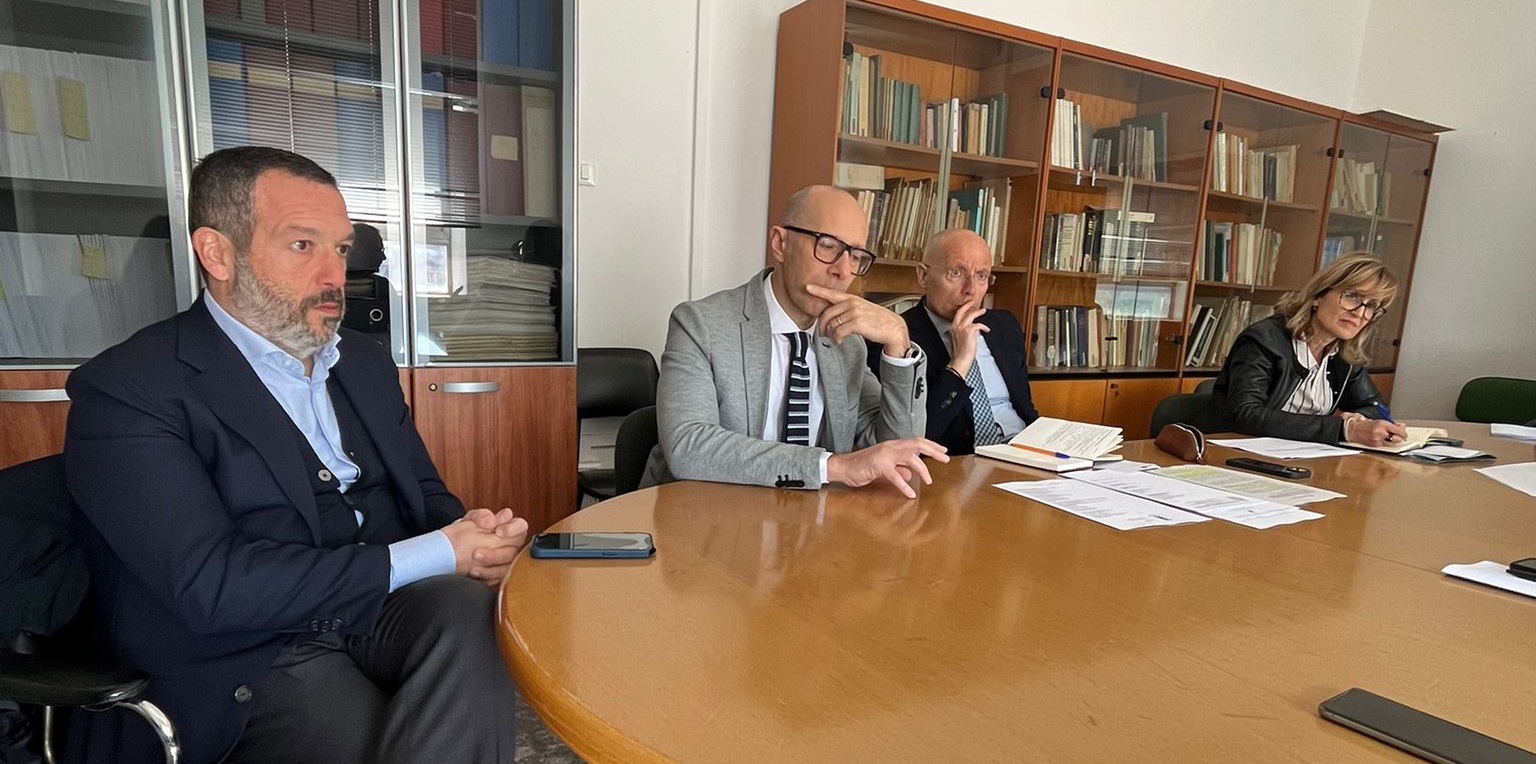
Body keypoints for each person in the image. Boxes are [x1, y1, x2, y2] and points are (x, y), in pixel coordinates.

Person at [63, 147, 525, 764]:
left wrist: (475, 541)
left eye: (341, 248)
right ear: (217, 253)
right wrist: (441, 550)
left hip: (375, 607)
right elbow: (211, 587)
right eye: (302, 245)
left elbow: (423, 496)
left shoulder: (362, 362)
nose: (334, 275)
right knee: (383, 741)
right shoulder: (129, 388)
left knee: (471, 612)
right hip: (251, 647)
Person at [643, 185, 947, 497]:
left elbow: (899, 452)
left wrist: (898, 342)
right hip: (704, 513)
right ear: (780, 244)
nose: (843, 271)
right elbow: (688, 445)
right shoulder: (700, 324)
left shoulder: (847, 344)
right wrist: (832, 467)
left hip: (808, 518)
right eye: (827, 245)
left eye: (856, 256)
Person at [1211, 252, 1408, 446]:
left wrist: (1358, 419)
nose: (1360, 313)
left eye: (1371, 306)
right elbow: (1246, 415)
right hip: (1234, 451)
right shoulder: (1264, 339)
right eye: (1352, 296)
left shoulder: (1343, 357)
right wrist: (1344, 429)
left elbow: (1375, 407)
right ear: (1318, 296)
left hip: (1302, 455)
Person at [879, 229, 1039, 454]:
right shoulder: (896, 339)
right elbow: (916, 438)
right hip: (958, 462)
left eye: (981, 276)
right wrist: (960, 362)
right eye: (956, 273)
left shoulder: (1004, 325)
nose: (970, 290)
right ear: (923, 276)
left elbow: (1025, 408)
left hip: (1025, 453)